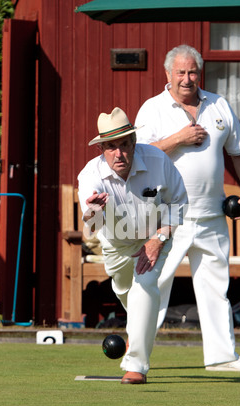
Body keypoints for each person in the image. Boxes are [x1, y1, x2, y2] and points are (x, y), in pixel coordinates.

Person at [135, 44, 240, 372]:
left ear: (199, 73)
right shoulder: (152, 109)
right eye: (181, 72)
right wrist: (179, 138)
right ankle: (136, 359)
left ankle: (222, 358)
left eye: (192, 72)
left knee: (216, 289)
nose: (187, 79)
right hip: (168, 218)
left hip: (213, 214)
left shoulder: (219, 105)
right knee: (153, 289)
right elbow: (139, 154)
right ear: (168, 75)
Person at [78, 107, 188, 384]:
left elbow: (178, 202)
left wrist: (159, 239)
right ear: (102, 148)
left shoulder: (158, 160)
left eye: (124, 144)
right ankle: (138, 330)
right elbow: (90, 226)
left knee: (145, 285)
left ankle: (136, 366)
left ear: (133, 143)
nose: (119, 153)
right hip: (115, 245)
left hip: (154, 238)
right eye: (111, 146)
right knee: (129, 295)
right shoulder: (90, 176)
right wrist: (93, 210)